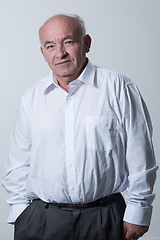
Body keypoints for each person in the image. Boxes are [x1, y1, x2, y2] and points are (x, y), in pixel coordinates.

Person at [2, 14, 158, 240]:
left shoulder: (117, 87)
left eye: (68, 42)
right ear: (43, 53)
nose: (60, 53)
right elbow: (17, 163)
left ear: (86, 43)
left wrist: (139, 210)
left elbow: (140, 154)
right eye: (50, 45)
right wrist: (21, 214)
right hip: (42, 220)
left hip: (104, 218)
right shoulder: (32, 98)